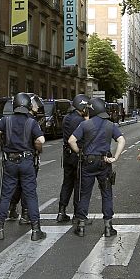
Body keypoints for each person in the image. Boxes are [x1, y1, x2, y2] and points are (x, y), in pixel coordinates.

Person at [0, 93, 47, 241]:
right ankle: (36, 230)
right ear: (27, 106)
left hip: (10, 162)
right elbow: (41, 140)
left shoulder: (6, 120)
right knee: (31, 195)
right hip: (27, 161)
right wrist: (36, 148)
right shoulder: (32, 122)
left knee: (6, 195)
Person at [68, 98, 126, 237]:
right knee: (106, 194)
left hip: (87, 162)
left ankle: (81, 226)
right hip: (104, 162)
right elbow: (121, 140)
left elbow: (71, 140)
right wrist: (115, 157)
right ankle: (108, 227)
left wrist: (78, 152)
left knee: (85, 194)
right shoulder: (110, 125)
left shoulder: (85, 124)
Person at [57, 94, 91, 223]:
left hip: (67, 155)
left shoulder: (67, 118)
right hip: (78, 155)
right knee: (79, 184)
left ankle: (62, 211)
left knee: (67, 183)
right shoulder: (81, 121)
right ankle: (78, 215)